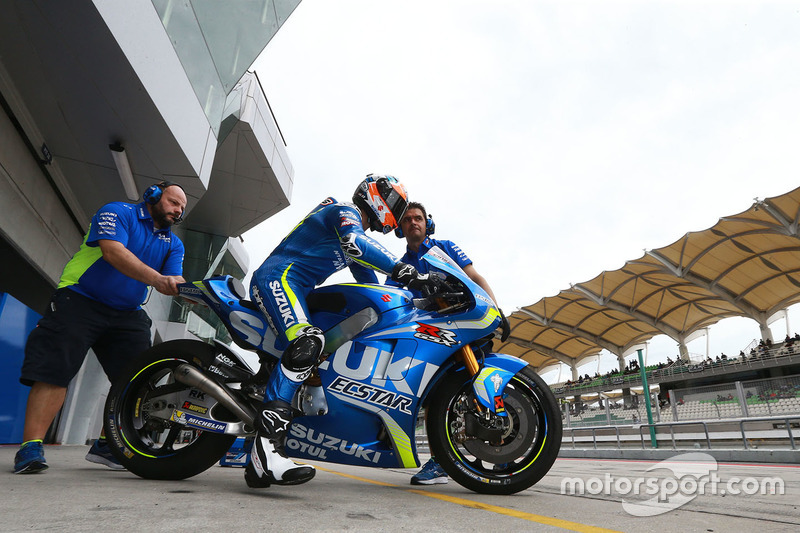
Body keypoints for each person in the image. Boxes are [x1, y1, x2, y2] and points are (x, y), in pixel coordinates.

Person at [245, 174, 439, 489]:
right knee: (309, 341)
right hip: (277, 279)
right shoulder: (343, 211)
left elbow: (372, 289)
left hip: (298, 290)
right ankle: (266, 451)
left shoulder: (352, 232)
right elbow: (356, 243)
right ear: (377, 197)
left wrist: (409, 309)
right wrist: (407, 271)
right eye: (395, 205)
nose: (397, 213)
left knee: (331, 344)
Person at [13, 181, 187, 474]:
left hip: (127, 313)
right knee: (55, 371)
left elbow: (174, 281)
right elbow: (113, 252)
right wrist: (157, 280)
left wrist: (198, 294)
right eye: (173, 202)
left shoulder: (174, 243)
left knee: (138, 381)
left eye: (182, 207)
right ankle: (30, 447)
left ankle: (109, 445)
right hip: (80, 299)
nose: (178, 210)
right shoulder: (117, 213)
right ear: (153, 196)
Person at [387, 201, 509, 486]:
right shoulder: (399, 266)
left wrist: (497, 310)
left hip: (466, 324)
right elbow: (389, 300)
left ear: (426, 222)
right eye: (406, 220)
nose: (413, 222)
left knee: (479, 380)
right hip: (432, 335)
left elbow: (474, 277)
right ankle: (441, 460)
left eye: (417, 218)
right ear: (401, 228)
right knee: (436, 397)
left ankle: (497, 442)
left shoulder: (445, 246)